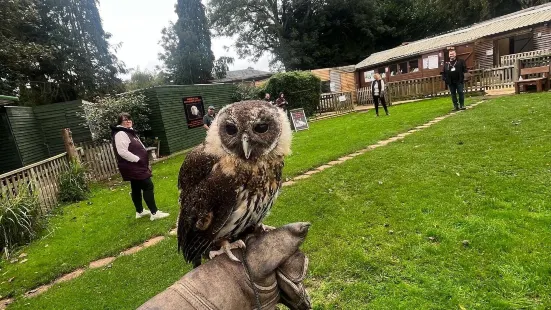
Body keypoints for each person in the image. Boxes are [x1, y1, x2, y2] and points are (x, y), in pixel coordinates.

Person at [111, 113, 170, 221]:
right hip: (132, 166)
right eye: (125, 120)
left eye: (129, 119)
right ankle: (154, 212)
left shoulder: (129, 132)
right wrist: (137, 159)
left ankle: (140, 212)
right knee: (148, 186)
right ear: (120, 122)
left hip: (136, 165)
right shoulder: (121, 133)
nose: (128, 121)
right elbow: (122, 152)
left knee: (136, 187)